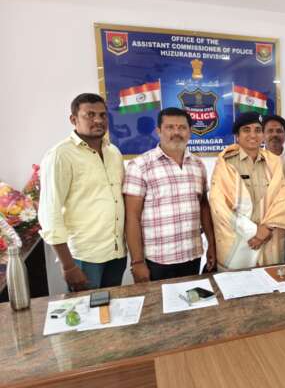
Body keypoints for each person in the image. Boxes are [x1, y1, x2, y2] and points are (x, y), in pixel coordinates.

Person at [39, 93, 126, 291]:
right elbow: (49, 212)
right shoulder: (60, 155)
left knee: (114, 307)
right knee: (86, 309)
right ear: (73, 119)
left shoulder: (114, 152)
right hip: (84, 257)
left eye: (103, 115)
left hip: (117, 253)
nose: (98, 120)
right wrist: (68, 266)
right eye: (90, 115)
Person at [123, 107, 215, 282]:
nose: (176, 133)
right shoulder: (140, 166)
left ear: (189, 131)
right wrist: (137, 261)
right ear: (158, 131)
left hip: (192, 254)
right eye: (170, 127)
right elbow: (132, 217)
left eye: (182, 128)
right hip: (158, 259)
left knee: (192, 298)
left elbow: (204, 207)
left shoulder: (198, 165)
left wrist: (212, 245)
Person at [210, 112, 285, 270]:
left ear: (263, 135)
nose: (253, 135)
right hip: (238, 239)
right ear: (237, 136)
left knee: (270, 280)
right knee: (237, 282)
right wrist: (254, 231)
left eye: (258, 130)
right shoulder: (225, 164)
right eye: (246, 130)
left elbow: (283, 198)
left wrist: (267, 229)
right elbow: (219, 206)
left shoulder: (274, 162)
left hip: (269, 237)